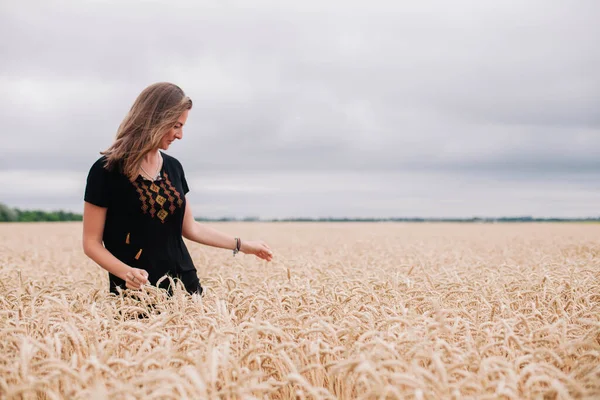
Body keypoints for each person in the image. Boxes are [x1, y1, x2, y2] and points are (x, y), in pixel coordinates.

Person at [82, 82, 273, 296]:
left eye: (182, 126)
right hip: (136, 292)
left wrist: (243, 245)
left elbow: (190, 228)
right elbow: (91, 243)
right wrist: (126, 273)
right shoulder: (106, 170)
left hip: (185, 284)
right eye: (176, 125)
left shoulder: (173, 167)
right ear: (154, 120)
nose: (180, 135)